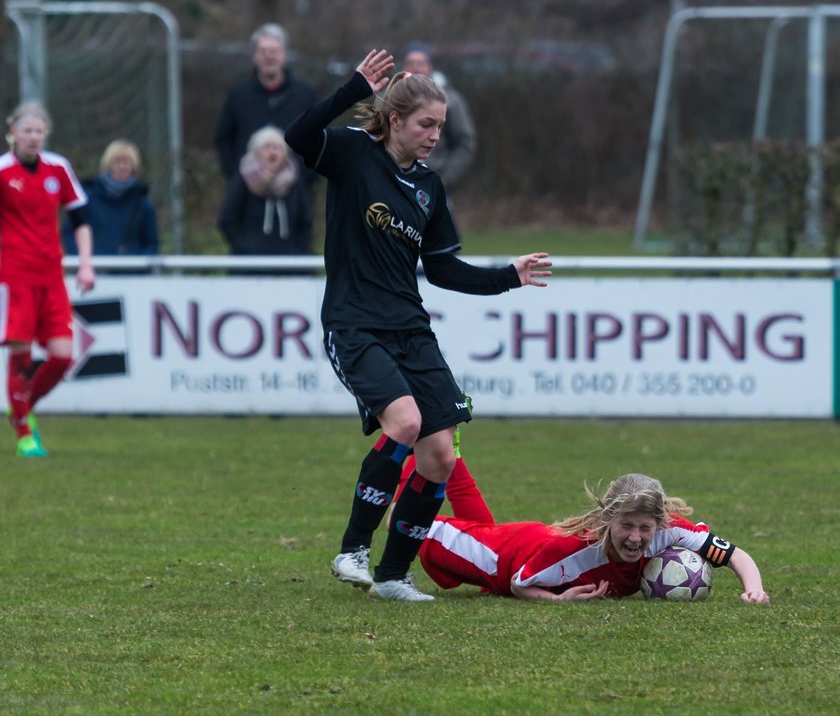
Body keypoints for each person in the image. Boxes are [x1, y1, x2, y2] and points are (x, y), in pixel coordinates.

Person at [284, 48, 552, 603]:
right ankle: (352, 549)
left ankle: (391, 575)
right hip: (354, 325)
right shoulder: (354, 154)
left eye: (441, 126)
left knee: (439, 456)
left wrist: (510, 276)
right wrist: (352, 87)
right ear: (396, 120)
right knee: (404, 424)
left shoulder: (430, 186)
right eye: (427, 124)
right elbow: (298, 136)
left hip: (411, 329)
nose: (435, 135)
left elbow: (445, 269)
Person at [399, 452, 770, 603]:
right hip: (502, 557)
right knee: (407, 523)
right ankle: (412, 448)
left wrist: (754, 591)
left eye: (645, 528)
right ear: (607, 520)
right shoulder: (576, 551)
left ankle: (448, 457)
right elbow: (520, 582)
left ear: (659, 523)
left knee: (474, 525)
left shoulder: (671, 531)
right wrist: (558, 601)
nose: (636, 538)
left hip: (527, 540)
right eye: (626, 526)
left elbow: (736, 555)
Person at [1, 102, 95, 458]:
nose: (33, 137)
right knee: (21, 355)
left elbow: (80, 217)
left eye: (39, 131)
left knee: (62, 356)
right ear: (13, 134)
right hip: (15, 278)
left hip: (52, 275)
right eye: (27, 131)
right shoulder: (3, 171)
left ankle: (21, 408)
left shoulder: (58, 168)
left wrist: (86, 264)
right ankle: (25, 433)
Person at [214, 23, 317, 181]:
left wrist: (304, 178)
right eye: (263, 51)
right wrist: (237, 176)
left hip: (296, 194)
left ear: (284, 55)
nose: (269, 56)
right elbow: (223, 139)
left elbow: (318, 139)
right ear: (254, 56)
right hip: (246, 194)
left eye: (274, 51)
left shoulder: (305, 96)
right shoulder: (238, 95)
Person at [217, 125, 314, 268]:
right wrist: (244, 248)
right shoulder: (243, 180)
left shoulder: (294, 182)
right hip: (249, 265)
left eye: (277, 147)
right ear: (256, 152)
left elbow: (305, 221)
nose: (272, 151)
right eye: (267, 147)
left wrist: (297, 249)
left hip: (289, 264)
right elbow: (227, 219)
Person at [62, 139, 160, 265]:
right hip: (92, 273)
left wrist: (137, 266)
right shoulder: (86, 200)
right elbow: (69, 233)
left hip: (132, 277)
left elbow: (151, 244)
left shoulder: (143, 205)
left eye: (128, 162)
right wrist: (83, 261)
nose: (123, 166)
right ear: (108, 164)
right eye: (117, 161)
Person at [402, 41, 477, 191]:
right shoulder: (389, 99)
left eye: (420, 63)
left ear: (430, 67)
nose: (415, 67)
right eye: (410, 63)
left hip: (432, 185)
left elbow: (464, 143)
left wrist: (443, 180)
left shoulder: (450, 100)